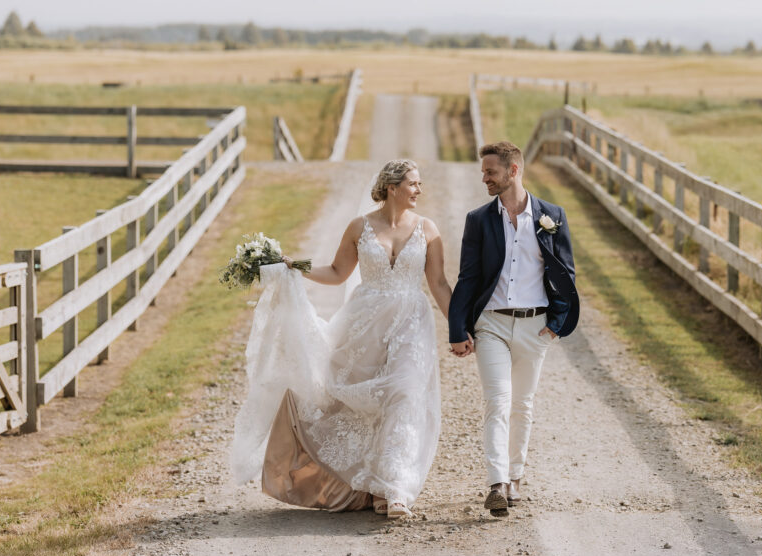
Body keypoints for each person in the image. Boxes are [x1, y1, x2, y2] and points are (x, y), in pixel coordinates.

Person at [230, 159, 452, 518]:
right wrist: (292, 266)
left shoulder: (427, 228)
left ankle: (394, 490)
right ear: (392, 187)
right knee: (351, 396)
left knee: (406, 392)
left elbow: (439, 284)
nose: (419, 190)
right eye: (413, 183)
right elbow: (336, 273)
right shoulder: (359, 227)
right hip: (364, 322)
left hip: (412, 321)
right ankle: (369, 486)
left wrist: (460, 327)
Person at [448, 141, 579, 517]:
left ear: (514, 170)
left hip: (535, 327)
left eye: (491, 171)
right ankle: (496, 482)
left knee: (522, 405)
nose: (485, 178)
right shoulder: (478, 220)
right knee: (498, 402)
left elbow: (566, 274)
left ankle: (516, 476)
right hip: (491, 325)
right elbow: (468, 277)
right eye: (484, 172)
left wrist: (555, 326)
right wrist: (459, 328)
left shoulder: (552, 216)